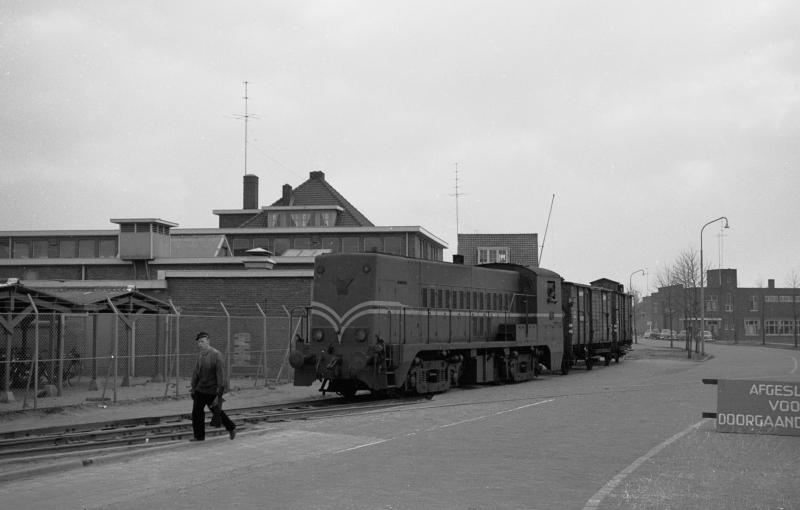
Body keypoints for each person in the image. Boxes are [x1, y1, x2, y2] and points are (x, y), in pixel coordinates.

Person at [190, 331, 236, 441]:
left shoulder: (216, 355)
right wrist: (193, 387)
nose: (200, 344)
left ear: (208, 341)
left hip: (211, 390)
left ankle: (231, 427)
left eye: (202, 341)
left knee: (217, 412)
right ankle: (199, 436)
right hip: (200, 389)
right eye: (199, 342)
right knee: (196, 414)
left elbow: (221, 374)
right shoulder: (200, 355)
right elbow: (196, 372)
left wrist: (219, 391)